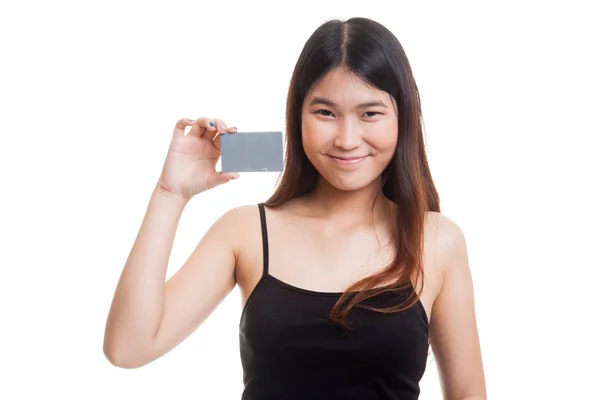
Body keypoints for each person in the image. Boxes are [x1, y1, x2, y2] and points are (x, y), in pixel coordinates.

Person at [103, 17, 487, 400]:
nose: (347, 139)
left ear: (403, 118)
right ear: (297, 115)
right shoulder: (246, 231)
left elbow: (469, 394)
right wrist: (171, 194)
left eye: (370, 113)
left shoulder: (436, 240)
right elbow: (128, 348)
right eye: (325, 113)